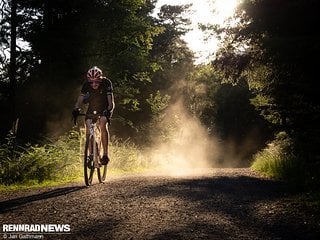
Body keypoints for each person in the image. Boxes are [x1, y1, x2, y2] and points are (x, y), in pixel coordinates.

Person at [72, 66, 115, 165]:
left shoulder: (106, 83)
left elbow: (110, 102)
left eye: (96, 82)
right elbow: (79, 100)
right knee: (88, 124)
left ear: (101, 79)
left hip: (105, 106)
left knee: (103, 123)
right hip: (93, 107)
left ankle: (105, 154)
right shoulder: (86, 85)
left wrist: (108, 111)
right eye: (91, 82)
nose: (94, 84)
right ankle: (91, 154)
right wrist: (76, 108)